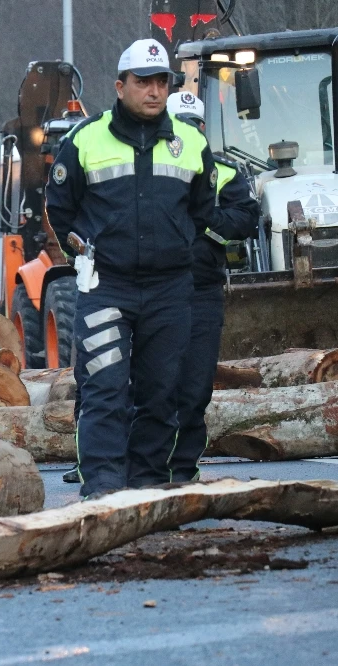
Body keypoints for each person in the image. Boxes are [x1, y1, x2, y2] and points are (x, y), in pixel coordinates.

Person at [46, 39, 216, 498]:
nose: (155, 91)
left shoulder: (192, 143)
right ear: (120, 86)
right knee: (104, 388)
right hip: (106, 287)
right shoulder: (85, 139)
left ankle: (147, 485)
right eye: (143, 82)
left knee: (162, 393)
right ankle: (102, 486)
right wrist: (83, 257)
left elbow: (202, 211)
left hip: (169, 291)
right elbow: (60, 208)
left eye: (162, 82)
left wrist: (176, 247)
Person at [165, 91, 260, 482]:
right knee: (153, 384)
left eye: (195, 124)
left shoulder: (225, 172)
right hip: (154, 290)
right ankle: (147, 465)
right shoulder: (147, 167)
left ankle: (183, 469)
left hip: (202, 290)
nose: (190, 130)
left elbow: (246, 218)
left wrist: (203, 223)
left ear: (203, 128)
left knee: (196, 386)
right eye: (181, 123)